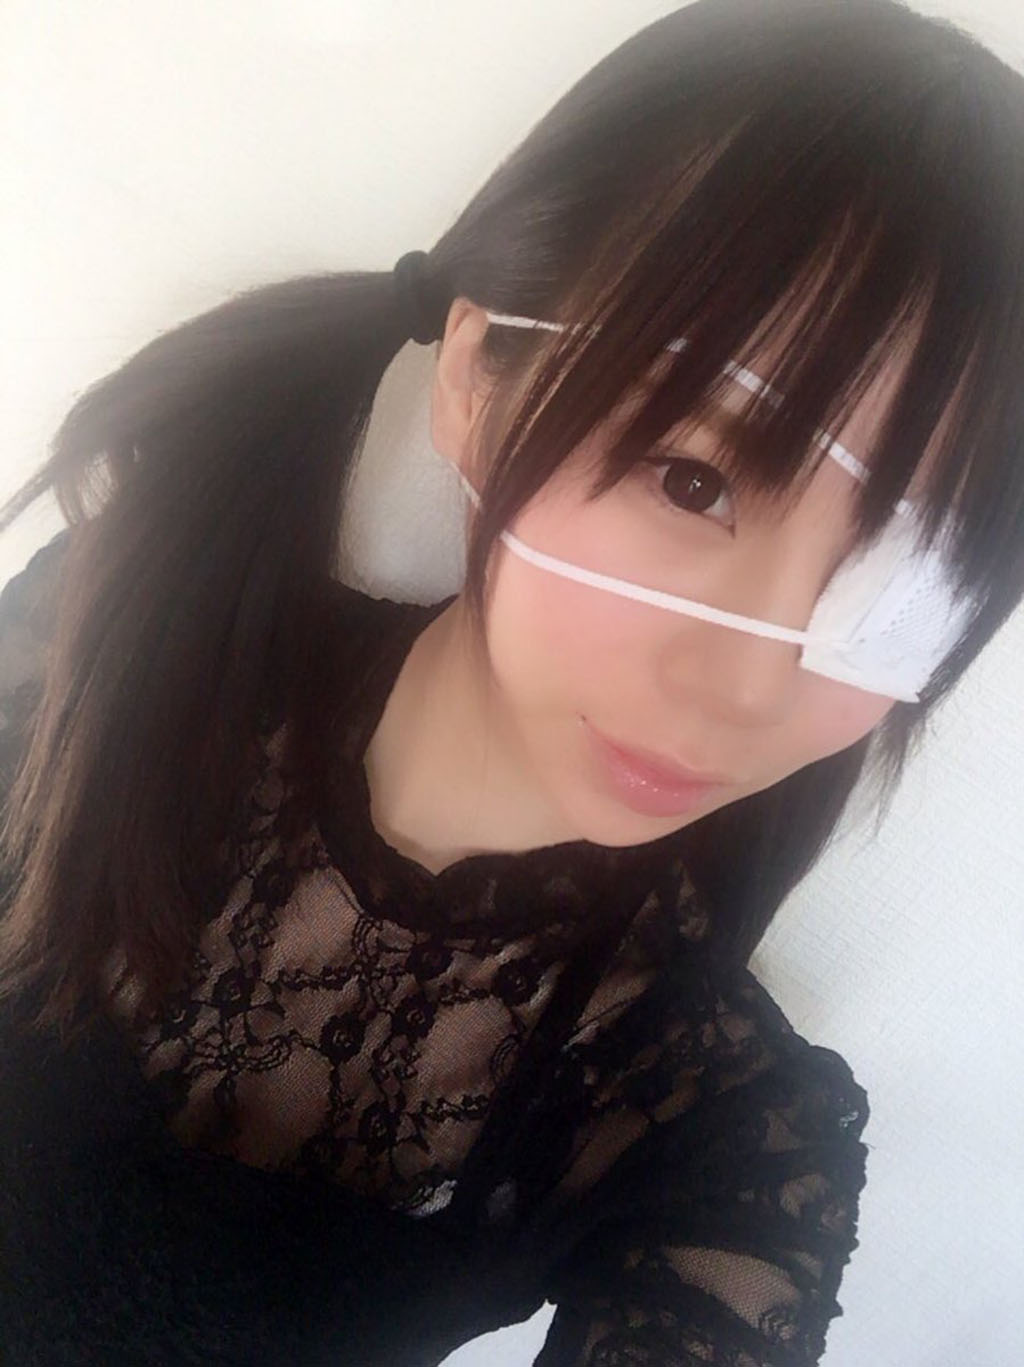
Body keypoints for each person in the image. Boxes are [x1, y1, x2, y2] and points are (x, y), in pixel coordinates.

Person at [1, 0, 1022, 1362]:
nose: (742, 691)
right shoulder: (102, 639)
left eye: (903, 583)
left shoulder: (713, 1145)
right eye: (693, 480)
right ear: (477, 380)